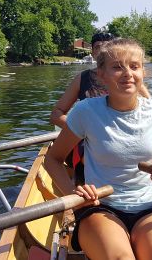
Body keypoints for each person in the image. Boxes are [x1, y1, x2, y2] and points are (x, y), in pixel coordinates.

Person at [44, 38, 152, 260]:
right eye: (117, 67)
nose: (128, 73)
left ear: (143, 72)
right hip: (102, 206)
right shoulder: (84, 112)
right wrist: (74, 195)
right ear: (101, 74)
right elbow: (53, 159)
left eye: (134, 66)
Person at [50, 32, 119, 183]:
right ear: (93, 53)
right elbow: (56, 114)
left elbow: (147, 108)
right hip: (88, 140)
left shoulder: (126, 77)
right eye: (98, 48)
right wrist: (82, 128)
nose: (102, 51)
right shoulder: (82, 78)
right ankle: (81, 183)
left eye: (107, 47)